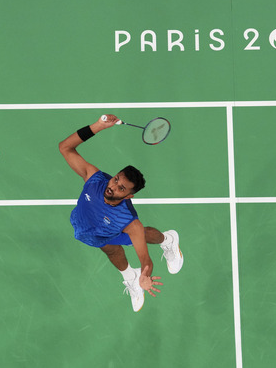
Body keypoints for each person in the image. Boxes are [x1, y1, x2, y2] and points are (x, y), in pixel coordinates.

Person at [59, 114, 184, 312]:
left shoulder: (130, 223)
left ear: (128, 197)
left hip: (115, 227)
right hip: (87, 228)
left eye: (121, 188)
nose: (113, 187)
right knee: (109, 248)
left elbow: (145, 259)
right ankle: (129, 277)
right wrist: (98, 126)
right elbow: (65, 147)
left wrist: (146, 274)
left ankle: (168, 240)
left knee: (140, 236)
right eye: (116, 180)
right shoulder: (94, 180)